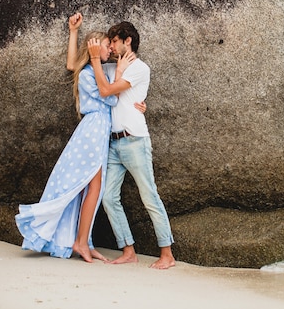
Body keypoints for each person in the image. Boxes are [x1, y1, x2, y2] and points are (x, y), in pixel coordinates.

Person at [15, 16, 137, 263]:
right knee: (93, 186)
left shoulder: (99, 69)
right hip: (93, 130)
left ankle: (84, 240)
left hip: (99, 130)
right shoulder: (89, 73)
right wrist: (109, 66)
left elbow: (72, 63)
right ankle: (81, 242)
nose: (109, 49)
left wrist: (74, 31)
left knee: (93, 187)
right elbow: (109, 97)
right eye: (105, 45)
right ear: (93, 48)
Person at [68, 15, 176, 269]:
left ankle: (167, 254)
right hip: (113, 143)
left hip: (134, 140)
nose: (112, 46)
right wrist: (74, 32)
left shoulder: (140, 68)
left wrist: (99, 63)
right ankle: (128, 250)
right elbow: (75, 66)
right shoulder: (111, 67)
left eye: (115, 41)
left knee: (149, 195)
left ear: (128, 41)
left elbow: (106, 91)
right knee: (107, 196)